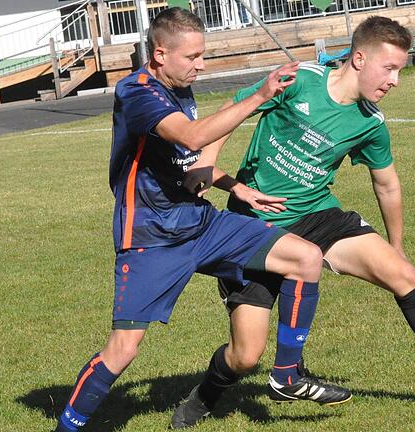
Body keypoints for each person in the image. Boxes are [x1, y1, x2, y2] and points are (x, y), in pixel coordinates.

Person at [171, 15, 415, 428]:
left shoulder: (370, 122)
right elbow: (231, 111)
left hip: (318, 216)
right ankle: (206, 396)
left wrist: (396, 246)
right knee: (245, 356)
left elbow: (388, 186)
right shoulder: (300, 81)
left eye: (400, 70)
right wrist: (207, 163)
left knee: (402, 274)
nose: (395, 81)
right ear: (359, 59)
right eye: (390, 68)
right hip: (255, 224)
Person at [54, 8, 349, 432]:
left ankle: (286, 375)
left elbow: (187, 163)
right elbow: (194, 137)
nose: (201, 64)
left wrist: (233, 186)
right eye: (192, 56)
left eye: (202, 55)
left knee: (305, 257)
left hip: (202, 225)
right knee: (122, 350)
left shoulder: (178, 87)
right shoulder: (136, 92)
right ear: (159, 54)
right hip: (151, 237)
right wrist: (259, 95)